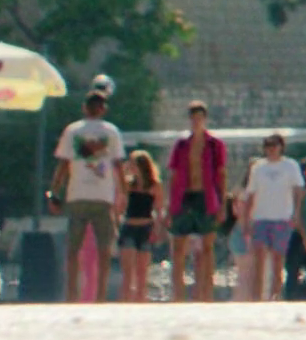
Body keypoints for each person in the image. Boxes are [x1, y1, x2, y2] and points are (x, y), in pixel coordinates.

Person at [55, 80, 126, 303]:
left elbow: (63, 164)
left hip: (77, 195)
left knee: (73, 249)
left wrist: (54, 191)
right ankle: (100, 296)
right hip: (102, 196)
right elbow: (118, 166)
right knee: (104, 249)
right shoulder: (111, 132)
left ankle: (71, 295)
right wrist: (123, 193)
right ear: (104, 109)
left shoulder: (72, 131)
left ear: (84, 108)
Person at [164, 101, 230, 301]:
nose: (196, 121)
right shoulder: (182, 145)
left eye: (199, 118)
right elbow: (174, 175)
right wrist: (169, 205)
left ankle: (206, 295)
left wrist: (222, 205)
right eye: (193, 118)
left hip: (206, 197)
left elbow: (221, 174)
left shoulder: (214, 145)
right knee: (178, 248)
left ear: (205, 119)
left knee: (207, 248)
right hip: (184, 197)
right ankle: (178, 296)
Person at [234, 132, 305, 304]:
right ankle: (258, 297)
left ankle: (276, 295)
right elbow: (251, 194)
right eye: (268, 146)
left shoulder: (290, 166)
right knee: (259, 258)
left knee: (278, 259)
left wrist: (296, 213)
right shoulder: (258, 168)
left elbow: (298, 190)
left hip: (282, 217)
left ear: (281, 147)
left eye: (274, 146)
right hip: (261, 217)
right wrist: (247, 219)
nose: (271, 149)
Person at [115, 149, 162, 301]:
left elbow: (159, 210)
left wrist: (157, 230)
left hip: (145, 228)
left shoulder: (154, 186)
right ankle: (125, 303)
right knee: (128, 274)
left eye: (133, 164)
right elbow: (119, 206)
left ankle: (141, 303)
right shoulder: (128, 185)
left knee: (142, 274)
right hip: (129, 227)